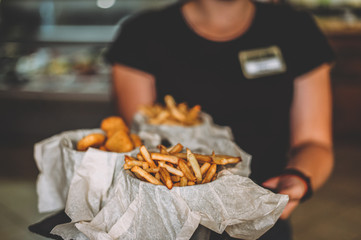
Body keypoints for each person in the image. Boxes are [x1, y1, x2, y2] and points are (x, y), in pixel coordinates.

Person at [105, 0, 335, 239]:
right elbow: (141, 151)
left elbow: (315, 142)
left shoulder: (296, 29)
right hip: (170, 219)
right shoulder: (142, 33)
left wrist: (298, 177)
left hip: (259, 213)